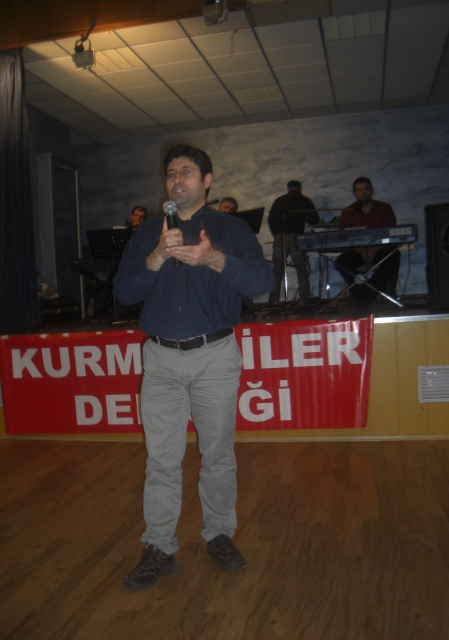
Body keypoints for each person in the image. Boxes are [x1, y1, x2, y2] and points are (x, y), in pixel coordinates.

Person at [113, 144, 274, 590]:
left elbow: (263, 281)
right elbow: (123, 292)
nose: (176, 179)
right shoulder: (149, 233)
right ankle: (159, 547)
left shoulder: (231, 229)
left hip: (213, 356)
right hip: (161, 359)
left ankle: (219, 534)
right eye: (170, 173)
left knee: (217, 454)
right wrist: (156, 258)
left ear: (206, 180)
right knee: (161, 460)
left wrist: (212, 259)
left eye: (186, 171)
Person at [335, 177, 400, 308]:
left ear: (371, 190)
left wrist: (374, 249)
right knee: (341, 262)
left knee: (393, 257)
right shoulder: (348, 212)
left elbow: (391, 234)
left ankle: (366, 295)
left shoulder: (384, 208)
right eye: (359, 190)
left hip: (380, 250)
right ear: (355, 194)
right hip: (357, 251)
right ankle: (366, 293)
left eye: (366, 189)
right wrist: (361, 250)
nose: (363, 193)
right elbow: (343, 238)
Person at [267, 180, 319, 305]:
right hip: (297, 237)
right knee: (301, 269)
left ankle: (274, 301)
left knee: (277, 270)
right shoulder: (305, 200)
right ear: (300, 188)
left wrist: (276, 234)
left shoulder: (279, 201)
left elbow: (270, 219)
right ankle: (303, 299)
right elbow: (315, 219)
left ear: (288, 188)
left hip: (280, 237)